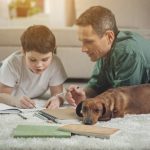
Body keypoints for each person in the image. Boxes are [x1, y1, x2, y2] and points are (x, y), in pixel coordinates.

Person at [66, 5, 150, 107]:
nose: (83, 49)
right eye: (82, 42)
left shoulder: (127, 51)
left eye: (89, 41)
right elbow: (96, 85)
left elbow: (122, 99)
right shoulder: (104, 51)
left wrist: (94, 101)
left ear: (109, 37)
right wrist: (84, 94)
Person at [0, 25, 67, 109]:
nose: (39, 65)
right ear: (23, 51)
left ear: (53, 51)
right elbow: (2, 95)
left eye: (45, 59)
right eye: (33, 59)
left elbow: (58, 93)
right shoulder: (12, 63)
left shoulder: (55, 63)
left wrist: (57, 99)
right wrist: (15, 101)